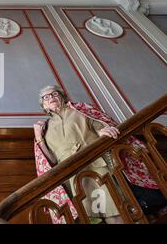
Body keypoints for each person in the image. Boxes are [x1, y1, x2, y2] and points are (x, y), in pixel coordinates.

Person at [34, 85, 162, 224]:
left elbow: (102, 126)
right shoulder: (45, 128)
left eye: (54, 94)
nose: (51, 98)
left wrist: (102, 132)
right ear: (44, 105)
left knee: (113, 211)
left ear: (62, 97)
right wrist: (39, 138)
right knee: (88, 218)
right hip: (71, 177)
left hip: (95, 167)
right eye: (46, 97)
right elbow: (51, 160)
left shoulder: (79, 109)